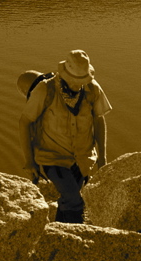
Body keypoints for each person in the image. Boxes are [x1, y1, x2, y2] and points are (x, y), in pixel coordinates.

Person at [17, 49, 111, 223]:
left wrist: (103, 157)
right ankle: (76, 239)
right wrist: (29, 161)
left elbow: (99, 121)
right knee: (75, 202)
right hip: (53, 158)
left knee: (67, 201)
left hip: (83, 159)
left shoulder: (92, 89)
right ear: (64, 74)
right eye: (75, 80)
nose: (78, 84)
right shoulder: (45, 89)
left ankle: (57, 235)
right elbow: (25, 122)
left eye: (82, 80)